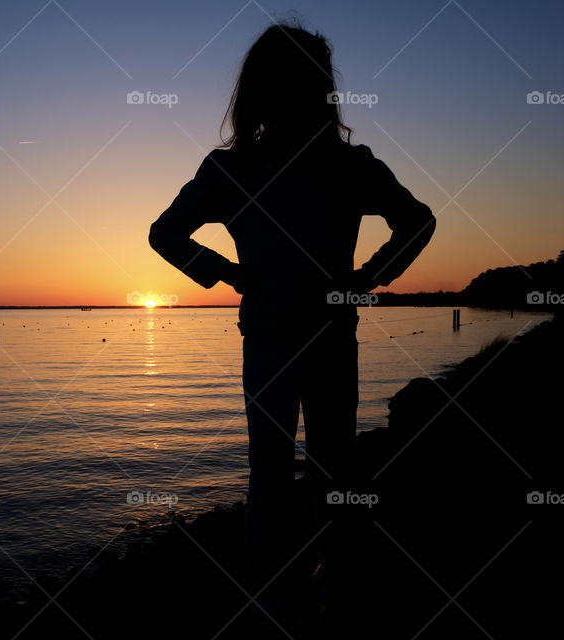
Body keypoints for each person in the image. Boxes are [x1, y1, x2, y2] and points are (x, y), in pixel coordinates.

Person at [148, 22, 435, 638]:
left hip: (309, 336)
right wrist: (233, 273)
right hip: (285, 338)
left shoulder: (336, 165)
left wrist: (364, 278)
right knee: (313, 470)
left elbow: (418, 220)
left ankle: (309, 596)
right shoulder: (243, 169)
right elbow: (163, 233)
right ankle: (302, 597)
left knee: (289, 472)